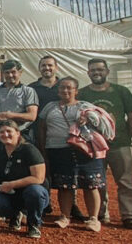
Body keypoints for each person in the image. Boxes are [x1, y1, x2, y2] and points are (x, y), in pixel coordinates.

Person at [36, 78, 109, 232]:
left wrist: (88, 118)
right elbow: (41, 127)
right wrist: (42, 148)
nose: (65, 91)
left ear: (76, 90)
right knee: (65, 185)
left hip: (84, 150)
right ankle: (64, 216)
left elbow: (103, 120)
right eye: (62, 88)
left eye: (69, 88)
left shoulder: (85, 106)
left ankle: (93, 218)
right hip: (58, 149)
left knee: (91, 184)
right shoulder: (50, 107)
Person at [80, 59, 132, 228]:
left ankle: (129, 215)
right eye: (92, 70)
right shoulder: (83, 94)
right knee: (98, 180)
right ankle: (100, 213)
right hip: (95, 146)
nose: (96, 73)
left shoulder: (120, 91)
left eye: (100, 69)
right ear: (88, 73)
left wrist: (127, 136)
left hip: (119, 144)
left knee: (125, 181)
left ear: (107, 71)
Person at [0, 120, 49, 239]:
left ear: (18, 133)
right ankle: (15, 215)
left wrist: (12, 184)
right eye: (2, 132)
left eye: (9, 131)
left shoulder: (29, 150)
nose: (5, 134)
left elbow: (39, 178)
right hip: (7, 192)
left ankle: (33, 224)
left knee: (35, 192)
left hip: (30, 192)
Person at [0, 60, 39, 160]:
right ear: (3, 74)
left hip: (22, 135)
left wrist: (10, 115)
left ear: (20, 73)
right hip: (1, 136)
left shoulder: (28, 91)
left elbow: (32, 116)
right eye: (7, 72)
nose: (10, 75)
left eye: (13, 72)